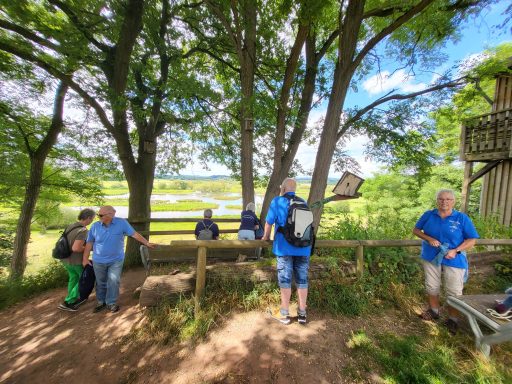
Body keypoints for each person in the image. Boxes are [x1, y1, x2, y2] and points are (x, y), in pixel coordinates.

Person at [413, 189, 479, 335]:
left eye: (448, 199)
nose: (444, 202)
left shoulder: (461, 218)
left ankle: (453, 319)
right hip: (431, 256)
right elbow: (416, 230)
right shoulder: (428, 215)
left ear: (453, 201)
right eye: (441, 199)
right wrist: (429, 239)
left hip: (454, 257)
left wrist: (456, 250)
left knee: (454, 290)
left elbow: (471, 240)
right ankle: (434, 311)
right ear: (437, 200)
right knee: (431, 285)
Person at [82, 206, 156, 313]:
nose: (99, 217)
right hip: (98, 260)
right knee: (100, 282)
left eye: (101, 215)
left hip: (116, 260)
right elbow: (89, 243)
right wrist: (85, 258)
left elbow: (134, 234)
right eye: (98, 215)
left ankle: (111, 303)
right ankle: (101, 302)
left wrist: (147, 243)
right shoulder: (95, 226)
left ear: (111, 214)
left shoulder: (122, 223)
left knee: (113, 281)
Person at [262, 178, 311, 325]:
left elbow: (269, 223)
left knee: (285, 280)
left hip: (284, 248)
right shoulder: (303, 202)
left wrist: (265, 237)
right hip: (303, 248)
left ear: (282, 188)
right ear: (294, 189)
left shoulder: (277, 201)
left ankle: (284, 314)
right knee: (302, 280)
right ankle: (302, 314)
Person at [58, 208, 96, 312]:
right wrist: (91, 248)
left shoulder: (70, 226)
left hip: (65, 259)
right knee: (82, 281)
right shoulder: (83, 230)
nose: (92, 221)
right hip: (76, 260)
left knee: (73, 279)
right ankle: (68, 302)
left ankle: (70, 300)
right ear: (88, 218)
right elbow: (76, 248)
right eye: (92, 219)